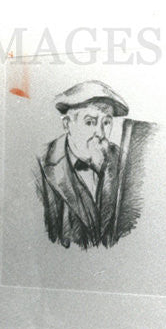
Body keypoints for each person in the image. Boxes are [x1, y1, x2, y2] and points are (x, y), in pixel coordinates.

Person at [34, 79, 130, 250]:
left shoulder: (124, 161)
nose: (100, 134)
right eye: (90, 122)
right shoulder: (41, 163)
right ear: (67, 124)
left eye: (106, 123)